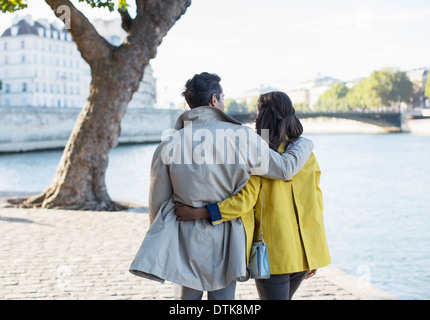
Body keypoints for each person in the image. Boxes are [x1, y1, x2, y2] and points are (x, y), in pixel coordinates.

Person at [129, 73, 314, 300]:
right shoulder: (243, 137)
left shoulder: (170, 142)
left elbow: (156, 202)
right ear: (214, 99)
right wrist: (305, 143)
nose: (224, 103)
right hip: (228, 239)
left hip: (184, 235)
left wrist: (161, 240)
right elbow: (285, 169)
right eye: (223, 98)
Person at [175, 91, 331, 300]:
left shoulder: (260, 156)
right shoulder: (306, 155)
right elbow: (316, 203)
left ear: (264, 118)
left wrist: (203, 212)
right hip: (305, 253)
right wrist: (312, 254)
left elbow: (244, 201)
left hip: (273, 256)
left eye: (258, 115)